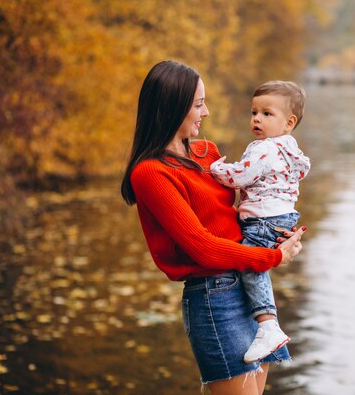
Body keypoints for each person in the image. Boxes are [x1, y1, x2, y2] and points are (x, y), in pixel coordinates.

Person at [120, 60, 306, 395]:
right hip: (214, 295)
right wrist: (272, 258)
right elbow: (201, 246)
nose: (205, 113)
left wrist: (278, 231)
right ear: (172, 107)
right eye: (198, 104)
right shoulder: (150, 173)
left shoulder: (208, 155)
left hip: (251, 285)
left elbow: (240, 212)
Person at [209, 81, 310, 363]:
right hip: (281, 215)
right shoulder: (289, 149)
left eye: (267, 114)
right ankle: (264, 324)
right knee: (256, 266)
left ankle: (268, 325)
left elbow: (240, 176)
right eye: (254, 112)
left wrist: (216, 169)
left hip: (264, 217)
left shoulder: (264, 148)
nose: (257, 119)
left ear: (289, 123)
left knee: (251, 264)